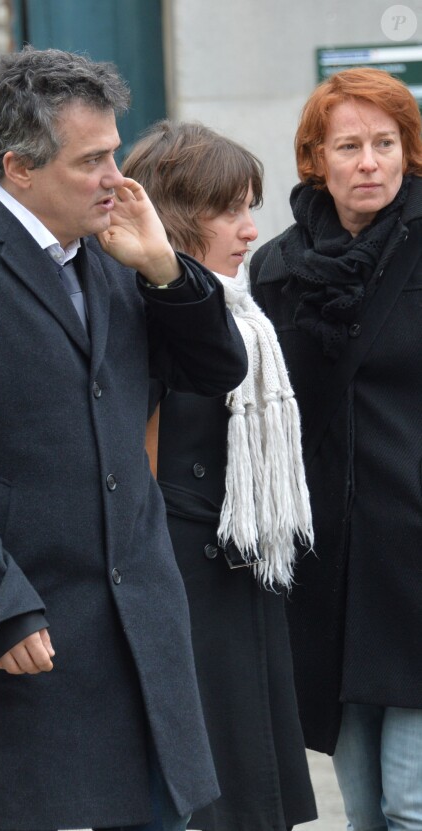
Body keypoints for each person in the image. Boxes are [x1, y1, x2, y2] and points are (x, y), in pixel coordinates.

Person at [0, 48, 249, 831]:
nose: (119, 176)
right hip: (21, 629)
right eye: (94, 160)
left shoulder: (117, 256)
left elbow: (216, 369)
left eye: (115, 150)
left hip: (135, 631)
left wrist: (167, 271)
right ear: (20, 168)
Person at [123, 120, 317, 831]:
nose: (249, 228)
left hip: (244, 579)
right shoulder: (139, 305)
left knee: (251, 801)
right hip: (181, 585)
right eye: (230, 209)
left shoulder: (242, 310)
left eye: (250, 205)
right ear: (177, 216)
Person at [249, 67, 422, 831]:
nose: (369, 162)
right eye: (348, 145)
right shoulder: (281, 268)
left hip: (417, 556)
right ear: (315, 158)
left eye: (386, 143)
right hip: (332, 569)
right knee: (362, 809)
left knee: (410, 802)